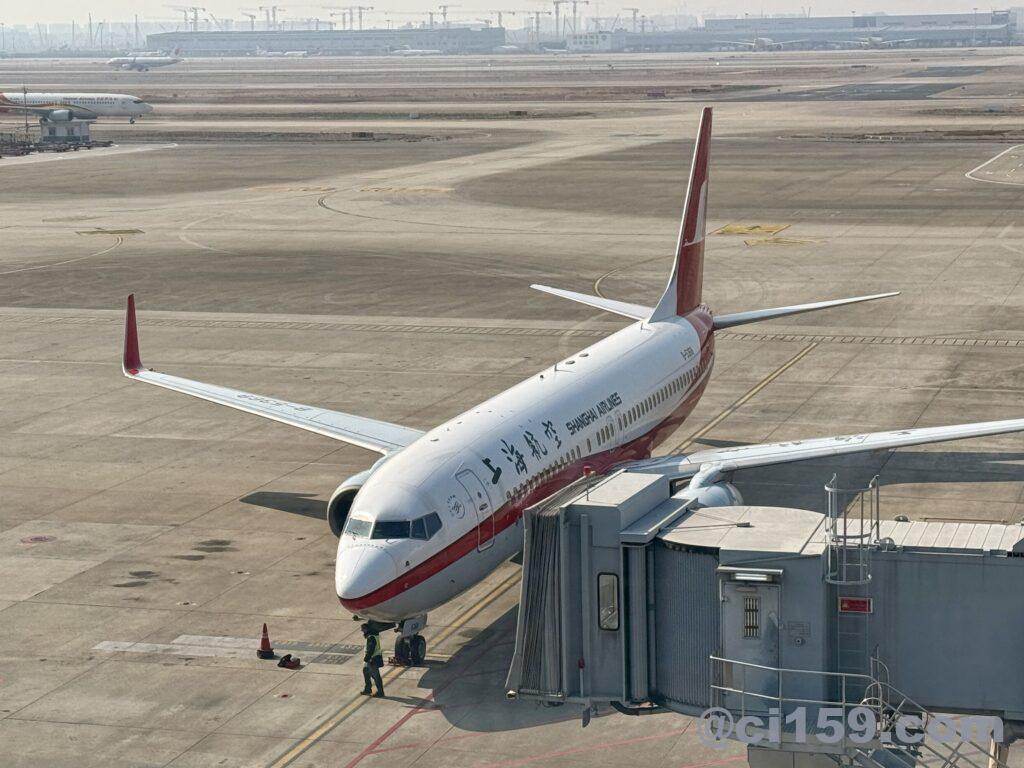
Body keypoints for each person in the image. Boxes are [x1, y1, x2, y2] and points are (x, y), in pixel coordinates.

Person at [361, 623, 385, 697]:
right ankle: (368, 689)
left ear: (367, 629)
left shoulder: (371, 637)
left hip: (373, 659)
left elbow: (371, 649)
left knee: (376, 676)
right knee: (365, 671)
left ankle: (380, 692)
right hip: (371, 659)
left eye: (363, 629)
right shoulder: (372, 636)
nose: (362, 630)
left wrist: (367, 657)